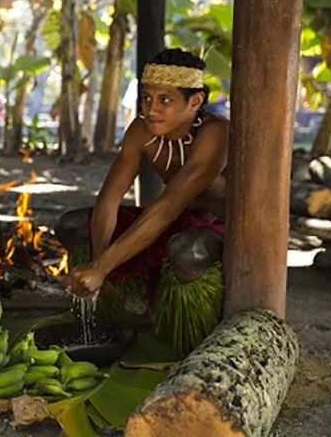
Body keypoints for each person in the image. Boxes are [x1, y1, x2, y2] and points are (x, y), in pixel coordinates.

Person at [60, 48, 228, 299]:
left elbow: (169, 206)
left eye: (165, 100)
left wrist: (103, 267)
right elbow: (108, 200)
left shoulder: (215, 133)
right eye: (147, 97)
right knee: (71, 225)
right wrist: (98, 263)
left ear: (195, 101)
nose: (151, 109)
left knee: (185, 250)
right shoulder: (141, 131)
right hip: (171, 223)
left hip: (217, 228)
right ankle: (122, 299)